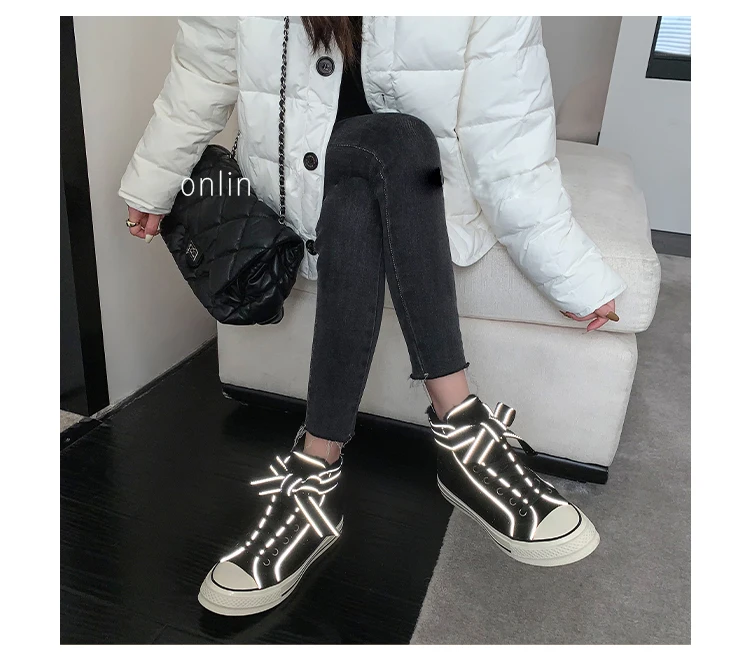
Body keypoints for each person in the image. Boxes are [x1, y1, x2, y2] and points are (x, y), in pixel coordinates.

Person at [121, 17, 626, 616]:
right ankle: (462, 431)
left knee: (391, 153)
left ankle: (315, 472)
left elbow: (508, 128)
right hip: (297, 185)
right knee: (394, 142)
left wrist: (565, 266)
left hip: (417, 190)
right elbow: (201, 74)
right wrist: (155, 182)